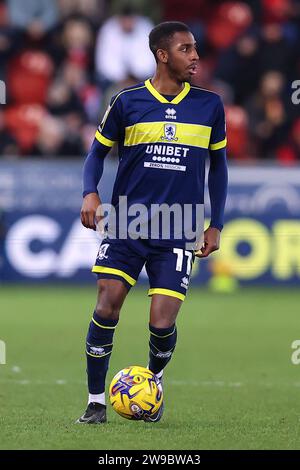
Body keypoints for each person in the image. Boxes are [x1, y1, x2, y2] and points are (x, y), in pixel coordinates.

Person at [77, 21, 228, 424]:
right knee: (106, 306)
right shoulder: (127, 101)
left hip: (180, 226)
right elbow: (96, 154)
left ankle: (152, 385)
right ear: (163, 55)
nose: (195, 56)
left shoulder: (210, 105)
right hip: (128, 222)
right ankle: (95, 402)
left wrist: (217, 223)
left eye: (195, 48)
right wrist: (90, 192)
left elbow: (219, 168)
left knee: (162, 323)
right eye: (186, 49)